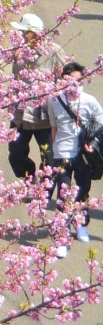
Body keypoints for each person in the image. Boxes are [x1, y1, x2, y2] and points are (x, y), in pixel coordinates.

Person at [47, 61, 103, 257]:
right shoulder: (54, 101)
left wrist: (93, 143)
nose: (74, 85)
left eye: (78, 81)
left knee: (82, 191)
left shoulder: (90, 101)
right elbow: (53, 127)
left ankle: (80, 224)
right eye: (69, 80)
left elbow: (100, 123)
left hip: (83, 154)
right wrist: (55, 150)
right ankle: (62, 236)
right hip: (62, 153)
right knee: (63, 195)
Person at [8, 13, 66, 180]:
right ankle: (29, 177)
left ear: (33, 34)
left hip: (44, 115)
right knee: (16, 152)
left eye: (23, 32)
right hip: (20, 114)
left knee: (48, 156)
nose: (19, 35)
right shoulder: (18, 51)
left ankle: (43, 190)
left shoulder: (54, 50)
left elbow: (69, 77)